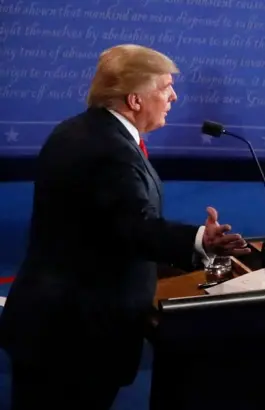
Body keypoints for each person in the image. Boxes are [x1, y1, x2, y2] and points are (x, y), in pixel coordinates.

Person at [0, 44, 251, 409]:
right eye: (165, 87)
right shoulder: (109, 152)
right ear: (135, 99)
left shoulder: (80, 130)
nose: (174, 96)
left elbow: (104, 226)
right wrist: (201, 240)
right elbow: (134, 227)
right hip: (76, 338)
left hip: (55, 323)